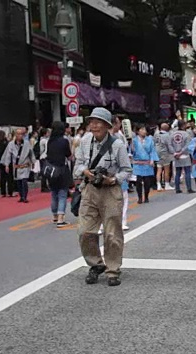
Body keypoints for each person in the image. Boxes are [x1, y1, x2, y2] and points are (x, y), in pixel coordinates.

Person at [74, 108, 132, 287]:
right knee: (85, 231)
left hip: (111, 191)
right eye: (91, 121)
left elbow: (127, 170)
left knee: (112, 234)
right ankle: (96, 264)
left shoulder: (117, 145)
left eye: (98, 122)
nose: (94, 125)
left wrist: (112, 179)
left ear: (107, 125)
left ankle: (113, 269)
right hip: (90, 189)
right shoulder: (84, 141)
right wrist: (85, 171)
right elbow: (77, 165)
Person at [45, 121, 72, 228]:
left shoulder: (49, 141)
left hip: (51, 170)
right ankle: (61, 218)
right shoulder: (64, 141)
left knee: (54, 193)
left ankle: (55, 216)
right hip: (61, 169)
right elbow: (69, 155)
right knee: (62, 193)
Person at [2, 129, 35, 203]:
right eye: (18, 134)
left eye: (21, 134)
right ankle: (21, 196)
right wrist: (7, 165)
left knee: (24, 181)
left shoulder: (27, 143)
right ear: (15, 135)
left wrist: (33, 162)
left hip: (25, 165)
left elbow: (31, 153)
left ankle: (25, 197)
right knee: (19, 182)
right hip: (17, 166)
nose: (20, 136)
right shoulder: (11, 144)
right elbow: (8, 155)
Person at [132, 125, 159, 204]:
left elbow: (152, 151)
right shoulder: (134, 140)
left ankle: (146, 196)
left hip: (147, 162)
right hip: (138, 162)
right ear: (138, 131)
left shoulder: (150, 140)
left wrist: (152, 160)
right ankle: (140, 197)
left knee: (147, 181)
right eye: (142, 129)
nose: (144, 131)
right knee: (138, 180)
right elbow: (131, 151)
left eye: (144, 130)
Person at [170, 120, 194, 193]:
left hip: (176, 155)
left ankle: (177, 188)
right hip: (185, 154)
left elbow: (170, 144)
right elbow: (188, 145)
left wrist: (175, 152)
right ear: (183, 126)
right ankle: (189, 188)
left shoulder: (173, 134)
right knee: (187, 172)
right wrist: (181, 152)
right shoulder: (186, 134)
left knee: (178, 172)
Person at [154, 123, 175, 191]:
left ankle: (158, 185)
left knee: (159, 170)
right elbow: (169, 145)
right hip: (165, 153)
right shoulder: (167, 136)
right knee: (166, 170)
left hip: (157, 153)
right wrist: (173, 152)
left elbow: (154, 143)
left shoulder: (156, 134)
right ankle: (167, 184)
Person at [0, 130, 14, 197]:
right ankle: (10, 192)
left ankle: (3, 192)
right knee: (9, 177)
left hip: (1, 161)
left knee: (2, 178)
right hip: (7, 161)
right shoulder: (5, 142)